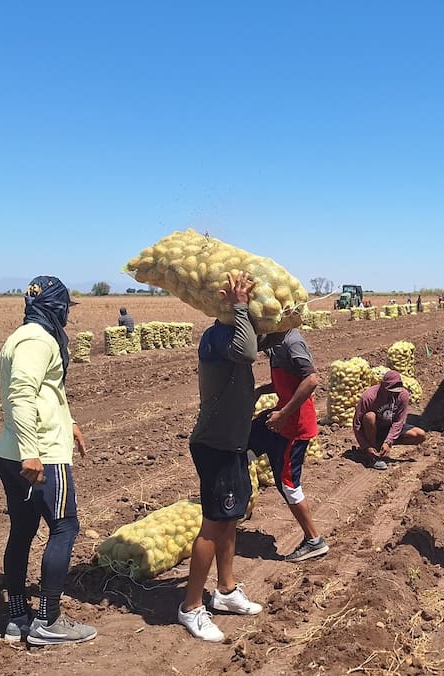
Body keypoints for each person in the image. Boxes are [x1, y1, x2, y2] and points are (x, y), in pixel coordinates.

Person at [0, 276, 96, 646]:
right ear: (55, 307)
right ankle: (49, 620)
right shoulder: (39, 341)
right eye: (67, 307)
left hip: (11, 451)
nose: (69, 314)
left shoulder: (20, 337)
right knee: (65, 527)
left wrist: (69, 421)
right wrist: (31, 452)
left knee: (22, 531)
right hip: (41, 456)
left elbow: (43, 393)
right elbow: (22, 393)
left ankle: (17, 617)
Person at [177, 272, 265, 642]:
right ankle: (191, 607)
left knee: (230, 520)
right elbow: (247, 352)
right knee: (213, 526)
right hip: (214, 445)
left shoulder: (233, 334)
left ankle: (226, 592)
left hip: (231, 444)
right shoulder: (216, 337)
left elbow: (256, 344)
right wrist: (240, 306)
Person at [250, 329, 329, 562]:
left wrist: (283, 414)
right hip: (281, 420)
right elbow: (287, 382)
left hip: (295, 426)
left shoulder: (291, 342)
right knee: (243, 445)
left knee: (287, 483)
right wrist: (260, 391)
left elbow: (311, 379)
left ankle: (314, 540)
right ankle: (233, 505)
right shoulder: (275, 342)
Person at [353, 370, 426, 470]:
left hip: (388, 427)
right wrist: (365, 446)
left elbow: (398, 422)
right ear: (383, 386)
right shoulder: (369, 397)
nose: (394, 394)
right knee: (370, 416)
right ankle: (372, 456)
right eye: (391, 391)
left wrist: (388, 441)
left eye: (396, 391)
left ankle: (380, 446)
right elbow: (357, 424)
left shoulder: (403, 395)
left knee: (419, 435)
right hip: (372, 429)